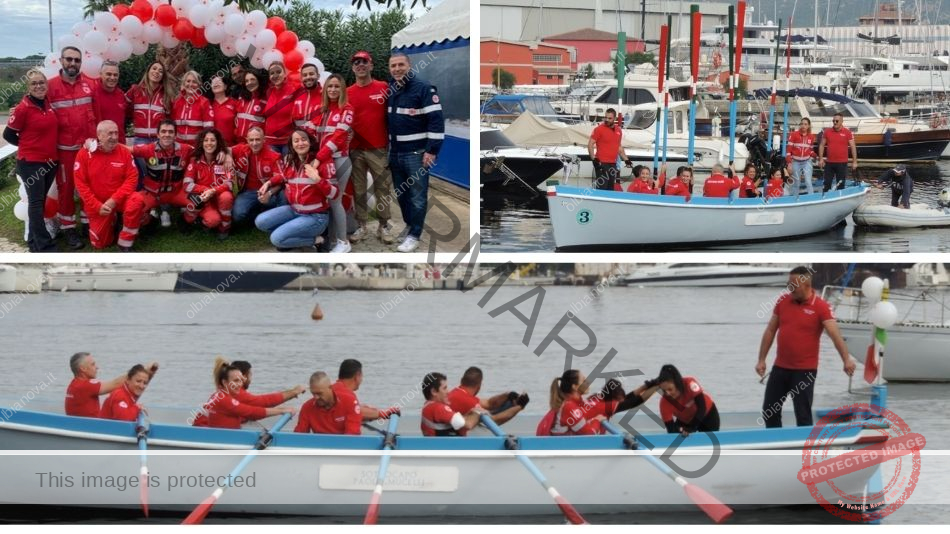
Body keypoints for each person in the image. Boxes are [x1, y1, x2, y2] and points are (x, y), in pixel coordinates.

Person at [756, 266, 856, 427]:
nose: (790, 288)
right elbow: (770, 330)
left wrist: (846, 359)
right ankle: (776, 440)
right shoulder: (783, 301)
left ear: (807, 285)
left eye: (793, 285)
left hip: (804, 372)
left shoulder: (821, 307)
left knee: (802, 414)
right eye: (788, 284)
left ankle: (806, 442)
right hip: (780, 368)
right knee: (769, 411)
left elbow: (835, 335)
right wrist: (761, 359)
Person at [387, 51, 445, 253]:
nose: (397, 69)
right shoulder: (391, 89)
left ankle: (415, 235)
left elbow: (436, 121)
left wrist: (432, 151)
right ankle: (410, 225)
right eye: (393, 66)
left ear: (409, 66)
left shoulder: (424, 89)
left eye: (400, 65)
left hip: (416, 154)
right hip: (396, 153)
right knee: (401, 195)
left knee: (417, 197)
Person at [3, 68, 59, 252]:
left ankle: (34, 241)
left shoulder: (48, 103)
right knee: (35, 203)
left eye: (41, 82)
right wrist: (28, 145)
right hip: (31, 163)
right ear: (28, 87)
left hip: (50, 161)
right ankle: (43, 245)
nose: (38, 86)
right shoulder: (22, 108)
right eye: (34, 83)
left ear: (46, 85)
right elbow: (8, 134)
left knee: (40, 202)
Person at [47, 46, 97, 250]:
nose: (73, 63)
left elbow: (97, 114)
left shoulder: (90, 84)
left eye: (77, 60)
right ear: (61, 61)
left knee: (88, 186)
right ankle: (68, 228)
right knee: (66, 189)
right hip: (64, 149)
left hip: (87, 149)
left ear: (81, 63)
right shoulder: (50, 87)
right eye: (69, 59)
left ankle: (87, 222)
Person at [256, 129, 338, 250]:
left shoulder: (323, 162)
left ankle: (319, 240)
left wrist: (317, 179)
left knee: (277, 239)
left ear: (310, 142)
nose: (300, 143)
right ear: (292, 145)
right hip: (294, 210)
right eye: (296, 141)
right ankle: (292, 236)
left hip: (316, 216)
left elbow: (334, 194)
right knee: (260, 222)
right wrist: (269, 184)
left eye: (304, 140)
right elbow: (283, 177)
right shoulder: (291, 161)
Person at [347, 50, 396, 244]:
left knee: (382, 188)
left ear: (371, 65)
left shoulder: (383, 87)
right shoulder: (347, 92)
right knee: (358, 189)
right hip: (356, 149)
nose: (360, 65)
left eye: (364, 62)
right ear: (353, 68)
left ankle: (383, 226)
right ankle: (362, 226)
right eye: (356, 62)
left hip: (378, 148)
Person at [72, 121, 140, 250]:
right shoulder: (84, 154)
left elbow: (132, 178)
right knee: (100, 244)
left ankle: (125, 241)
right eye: (110, 133)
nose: (114, 137)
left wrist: (114, 200)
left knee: (136, 200)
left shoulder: (124, 152)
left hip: (118, 201)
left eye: (116, 133)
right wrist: (97, 206)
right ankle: (113, 221)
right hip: (98, 204)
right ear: (99, 135)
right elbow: (81, 184)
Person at [125, 120, 193, 232]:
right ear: (157, 134)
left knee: (198, 203)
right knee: (134, 208)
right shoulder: (148, 149)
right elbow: (125, 149)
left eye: (170, 132)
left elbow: (205, 150)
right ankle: (151, 222)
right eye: (163, 131)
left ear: (175, 135)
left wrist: (223, 153)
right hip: (153, 193)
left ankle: (184, 221)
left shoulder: (185, 149)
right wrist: (102, 144)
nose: (167, 134)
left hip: (176, 193)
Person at [313, 73, 355, 254]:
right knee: (327, 201)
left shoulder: (347, 109)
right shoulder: (323, 109)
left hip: (339, 160)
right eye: (330, 86)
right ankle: (330, 240)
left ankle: (343, 242)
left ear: (343, 89)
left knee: (335, 200)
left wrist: (318, 158)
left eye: (337, 86)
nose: (333, 89)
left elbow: (338, 138)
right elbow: (311, 131)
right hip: (324, 161)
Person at [536, 375, 658, 436]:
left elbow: (627, 399)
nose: (588, 382)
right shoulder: (604, 407)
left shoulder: (596, 398)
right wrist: (658, 385)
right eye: (584, 380)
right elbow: (635, 402)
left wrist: (646, 386)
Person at [196, 360, 294, 429]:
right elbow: (251, 411)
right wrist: (281, 411)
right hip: (222, 439)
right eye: (236, 381)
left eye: (240, 380)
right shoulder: (224, 399)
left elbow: (246, 411)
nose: (240, 384)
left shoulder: (218, 395)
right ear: (225, 382)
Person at [65, 352, 158, 417]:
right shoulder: (84, 385)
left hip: (85, 425)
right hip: (91, 428)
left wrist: (148, 375)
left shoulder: (74, 384)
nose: (97, 367)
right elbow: (116, 384)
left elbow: (131, 391)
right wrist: (144, 370)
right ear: (83, 368)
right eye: (92, 364)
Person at [182, 128, 234, 239]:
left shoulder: (224, 160)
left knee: (226, 196)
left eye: (212, 140)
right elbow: (187, 184)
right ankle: (194, 220)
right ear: (201, 142)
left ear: (218, 142)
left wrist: (213, 191)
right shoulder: (195, 160)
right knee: (213, 220)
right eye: (206, 140)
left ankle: (225, 227)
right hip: (204, 199)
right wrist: (206, 191)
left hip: (219, 197)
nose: (209, 143)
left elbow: (230, 184)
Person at [446, 367, 528, 434]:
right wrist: (520, 407)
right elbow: (494, 421)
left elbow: (489, 404)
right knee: (487, 421)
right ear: (479, 385)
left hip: (450, 429)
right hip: (454, 435)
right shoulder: (468, 401)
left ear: (461, 380)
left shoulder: (457, 392)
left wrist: (508, 395)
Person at [231, 126, 283, 225]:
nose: (254, 143)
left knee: (281, 198)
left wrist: (269, 193)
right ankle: (259, 214)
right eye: (251, 140)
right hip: (248, 192)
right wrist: (227, 156)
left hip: (268, 191)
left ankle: (273, 217)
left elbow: (281, 178)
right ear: (247, 140)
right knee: (237, 215)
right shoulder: (241, 149)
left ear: (264, 140)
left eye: (258, 139)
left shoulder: (273, 155)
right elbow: (225, 149)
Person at [656, 364, 720, 436]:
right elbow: (671, 430)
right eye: (664, 391)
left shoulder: (689, 383)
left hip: (707, 414)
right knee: (678, 436)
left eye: (670, 389)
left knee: (711, 438)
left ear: (677, 384)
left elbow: (702, 408)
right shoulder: (664, 402)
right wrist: (680, 430)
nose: (667, 393)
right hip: (685, 420)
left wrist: (691, 428)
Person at [294, 371, 362, 435]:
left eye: (319, 393)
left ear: (330, 388)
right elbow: (299, 436)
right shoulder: (307, 407)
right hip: (319, 443)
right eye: (313, 393)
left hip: (344, 443)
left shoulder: (350, 402)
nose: (316, 397)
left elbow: (352, 436)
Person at [334, 359, 399, 421]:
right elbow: (357, 411)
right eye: (361, 376)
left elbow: (348, 409)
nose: (362, 379)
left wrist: (360, 407)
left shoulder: (333, 389)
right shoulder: (346, 395)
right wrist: (383, 413)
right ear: (357, 376)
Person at [127, 61, 175, 145]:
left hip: (159, 140)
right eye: (154, 68)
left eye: (160, 71)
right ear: (148, 72)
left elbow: (171, 118)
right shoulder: (135, 90)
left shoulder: (166, 95)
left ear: (162, 76)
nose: (157, 72)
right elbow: (125, 110)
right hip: (140, 139)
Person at [420, 372, 481, 437]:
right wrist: (478, 412)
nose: (448, 391)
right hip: (444, 443)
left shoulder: (428, 406)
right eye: (444, 388)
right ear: (434, 391)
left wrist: (469, 414)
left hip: (435, 442)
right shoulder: (438, 408)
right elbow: (468, 425)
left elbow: (459, 423)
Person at [588, 108, 632, 191]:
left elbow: (619, 147)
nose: (607, 120)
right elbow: (590, 144)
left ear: (614, 118)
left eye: (609, 118)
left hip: (612, 164)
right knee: (602, 189)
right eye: (606, 117)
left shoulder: (618, 130)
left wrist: (626, 160)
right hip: (601, 163)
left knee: (610, 189)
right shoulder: (599, 129)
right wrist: (594, 159)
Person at [263, 61, 302, 153]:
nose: (275, 75)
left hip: (287, 141)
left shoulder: (293, 90)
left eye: (278, 72)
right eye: (272, 73)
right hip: (270, 141)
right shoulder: (269, 92)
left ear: (285, 74)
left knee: (288, 162)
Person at [818, 112, 857, 192]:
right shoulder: (827, 132)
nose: (835, 122)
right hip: (829, 163)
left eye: (837, 121)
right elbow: (822, 145)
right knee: (826, 184)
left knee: (840, 185)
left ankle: (840, 197)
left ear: (842, 121)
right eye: (833, 121)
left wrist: (854, 162)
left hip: (842, 163)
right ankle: (825, 198)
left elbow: (853, 147)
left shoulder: (847, 132)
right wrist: (821, 159)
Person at [172, 70, 214, 145]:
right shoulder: (177, 102)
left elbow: (208, 129)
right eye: (188, 81)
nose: (191, 84)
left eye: (194, 82)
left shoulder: (204, 102)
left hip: (197, 146)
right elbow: (171, 125)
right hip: (178, 146)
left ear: (199, 85)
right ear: (183, 84)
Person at [92, 61, 128, 145]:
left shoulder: (121, 94)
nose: (112, 77)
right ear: (101, 74)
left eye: (115, 75)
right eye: (108, 74)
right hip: (101, 144)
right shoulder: (93, 94)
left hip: (120, 143)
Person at [786, 118, 817, 197]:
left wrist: (816, 156)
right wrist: (789, 164)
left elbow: (810, 150)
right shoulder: (793, 135)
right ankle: (794, 199)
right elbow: (788, 151)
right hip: (795, 162)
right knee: (796, 183)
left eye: (805, 124)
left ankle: (811, 198)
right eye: (802, 124)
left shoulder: (811, 137)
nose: (803, 126)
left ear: (808, 126)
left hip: (807, 162)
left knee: (808, 181)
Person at [291, 61, 323, 137]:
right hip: (300, 140)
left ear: (318, 76)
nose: (308, 77)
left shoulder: (325, 95)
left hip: (318, 140)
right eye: (305, 75)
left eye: (311, 74)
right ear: (301, 78)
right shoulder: (296, 95)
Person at [235, 70, 267, 143]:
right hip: (240, 141)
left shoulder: (266, 99)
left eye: (252, 79)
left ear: (258, 80)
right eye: (247, 81)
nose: (249, 83)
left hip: (256, 143)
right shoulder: (241, 98)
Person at [209, 75, 239, 146]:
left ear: (225, 86)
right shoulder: (207, 104)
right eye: (213, 82)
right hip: (211, 146)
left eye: (218, 81)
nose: (216, 84)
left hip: (230, 146)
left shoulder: (235, 103)